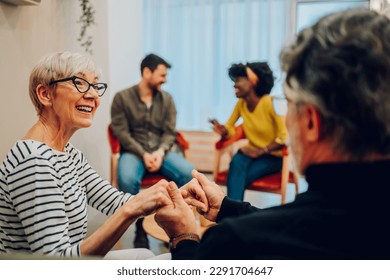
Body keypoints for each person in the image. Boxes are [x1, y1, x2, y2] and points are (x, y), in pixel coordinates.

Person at [155, 8, 390, 259]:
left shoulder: (234, 242)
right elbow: (301, 228)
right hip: (249, 161)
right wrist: (227, 208)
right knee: (239, 160)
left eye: (290, 106)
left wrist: (184, 236)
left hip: (271, 154)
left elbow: (290, 227)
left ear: (311, 122)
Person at [0, 51, 205, 259]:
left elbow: (113, 201)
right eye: (80, 83)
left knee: (144, 255)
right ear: (45, 94)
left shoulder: (70, 154)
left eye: (95, 86)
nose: (94, 96)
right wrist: (132, 209)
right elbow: (56, 265)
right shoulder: (32, 163)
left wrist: (174, 195)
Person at [110, 53, 194, 248]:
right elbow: (121, 133)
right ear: (147, 72)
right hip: (133, 151)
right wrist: (143, 153)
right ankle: (140, 229)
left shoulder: (167, 100)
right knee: (127, 179)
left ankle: (176, 229)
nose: (165, 80)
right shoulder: (121, 98)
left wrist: (160, 152)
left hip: (161, 152)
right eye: (162, 75)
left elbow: (170, 131)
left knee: (188, 174)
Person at [211, 62, 287, 201]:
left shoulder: (271, 103)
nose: (234, 85)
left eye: (238, 80)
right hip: (250, 153)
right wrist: (224, 131)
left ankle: (230, 218)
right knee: (236, 163)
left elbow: (284, 137)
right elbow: (230, 128)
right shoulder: (241, 104)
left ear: (253, 81)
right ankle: (233, 218)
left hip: (272, 157)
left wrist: (260, 151)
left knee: (237, 177)